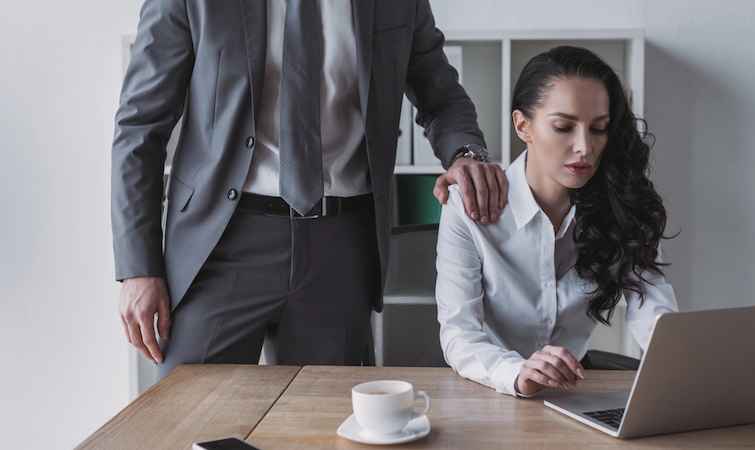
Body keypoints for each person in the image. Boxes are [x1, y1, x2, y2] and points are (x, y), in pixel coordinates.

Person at [112, 0, 508, 381]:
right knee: (189, 422)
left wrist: (466, 154)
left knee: (323, 430)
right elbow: (140, 125)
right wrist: (138, 269)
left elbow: (440, 96)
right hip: (218, 244)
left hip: (338, 248)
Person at [435, 46, 679, 397]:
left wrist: (682, 362)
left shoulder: (620, 204)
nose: (585, 147)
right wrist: (518, 372)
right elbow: (459, 334)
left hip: (575, 393)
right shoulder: (467, 206)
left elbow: (652, 307)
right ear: (523, 125)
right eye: (564, 127)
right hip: (488, 389)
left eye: (599, 129)